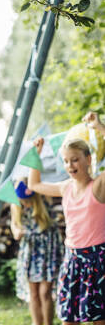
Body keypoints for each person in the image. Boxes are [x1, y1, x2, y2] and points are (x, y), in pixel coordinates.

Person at [28, 111, 105, 325]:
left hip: (97, 261)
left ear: (88, 160)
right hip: (72, 260)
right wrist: (36, 154)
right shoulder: (65, 188)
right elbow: (34, 185)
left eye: (75, 160)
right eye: (66, 161)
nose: (70, 166)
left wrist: (99, 127)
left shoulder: (98, 187)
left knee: (99, 320)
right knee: (68, 319)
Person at [10, 177, 64, 325]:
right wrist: (16, 232)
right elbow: (14, 225)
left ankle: (48, 323)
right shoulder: (16, 206)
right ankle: (37, 323)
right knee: (33, 293)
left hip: (48, 251)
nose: (26, 204)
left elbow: (36, 175)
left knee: (44, 292)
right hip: (30, 252)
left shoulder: (44, 199)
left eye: (29, 201)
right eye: (23, 201)